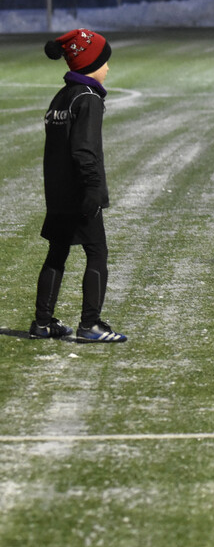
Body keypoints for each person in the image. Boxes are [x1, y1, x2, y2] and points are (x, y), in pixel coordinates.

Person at [29, 29, 127, 342]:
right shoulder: (88, 99)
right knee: (97, 252)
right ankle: (90, 325)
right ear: (90, 63)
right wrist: (93, 191)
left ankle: (42, 323)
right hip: (80, 193)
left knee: (57, 253)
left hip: (57, 194)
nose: (108, 68)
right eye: (104, 61)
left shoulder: (62, 96)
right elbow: (85, 151)